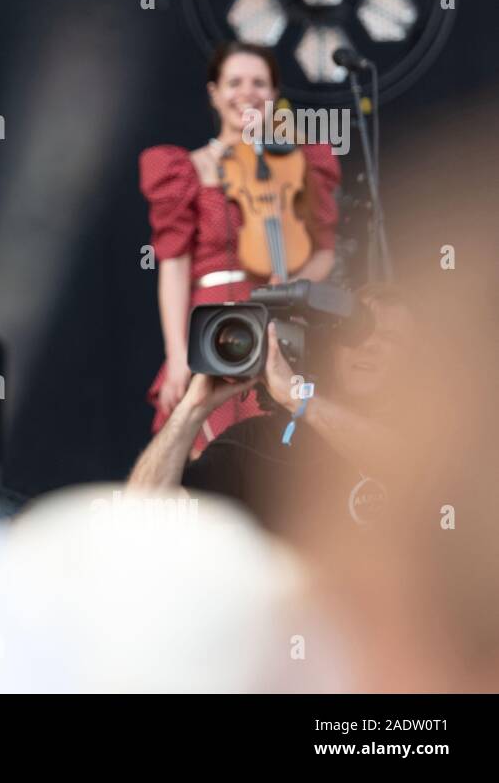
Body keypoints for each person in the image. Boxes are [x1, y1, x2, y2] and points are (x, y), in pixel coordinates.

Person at [139, 42, 342, 454]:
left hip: (274, 319)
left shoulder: (297, 164)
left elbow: (325, 252)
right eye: (234, 82)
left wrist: (291, 286)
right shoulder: (186, 169)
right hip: (210, 320)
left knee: (273, 457)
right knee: (199, 457)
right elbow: (174, 268)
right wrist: (177, 355)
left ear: (274, 95)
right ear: (214, 93)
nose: (246, 93)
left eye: (259, 83)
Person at [126, 284, 416, 536]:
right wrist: (193, 408)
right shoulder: (257, 441)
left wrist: (298, 398)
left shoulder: (430, 426)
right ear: (332, 347)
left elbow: (403, 461)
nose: (370, 346)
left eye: (390, 338)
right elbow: (141, 516)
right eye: (356, 334)